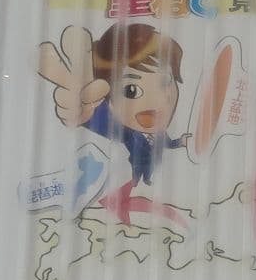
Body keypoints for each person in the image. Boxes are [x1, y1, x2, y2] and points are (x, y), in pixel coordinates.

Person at [38, 22, 190, 185]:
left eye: (165, 81)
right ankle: (137, 182)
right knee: (136, 179)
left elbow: (167, 143)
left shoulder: (160, 132)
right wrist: (84, 113)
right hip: (135, 166)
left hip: (152, 165)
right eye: (130, 90)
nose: (156, 100)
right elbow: (102, 120)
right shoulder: (126, 131)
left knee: (148, 176)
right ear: (109, 101)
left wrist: (181, 142)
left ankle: (146, 180)